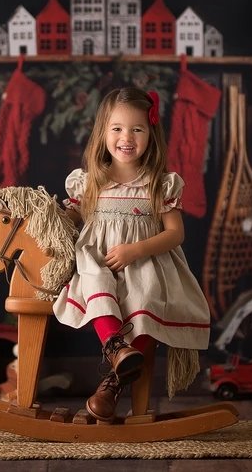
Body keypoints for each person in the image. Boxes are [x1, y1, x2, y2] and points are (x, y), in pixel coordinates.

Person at [51, 87, 211, 422]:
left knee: (146, 298)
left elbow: (175, 233)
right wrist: (53, 218)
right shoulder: (90, 181)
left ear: (151, 133)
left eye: (137, 129)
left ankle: (112, 384)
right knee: (92, 272)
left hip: (145, 262)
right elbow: (75, 218)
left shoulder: (158, 183)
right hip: (100, 262)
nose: (127, 137)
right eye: (117, 128)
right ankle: (116, 348)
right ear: (103, 132)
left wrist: (136, 249)